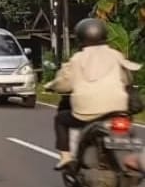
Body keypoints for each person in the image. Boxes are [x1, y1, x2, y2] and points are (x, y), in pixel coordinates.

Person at [46, 17, 141, 169]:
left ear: (80, 37)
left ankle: (66, 157)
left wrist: (50, 86)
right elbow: (127, 79)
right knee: (129, 130)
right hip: (118, 109)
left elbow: (64, 84)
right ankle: (131, 160)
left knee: (60, 119)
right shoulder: (116, 55)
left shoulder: (77, 59)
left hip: (86, 112)